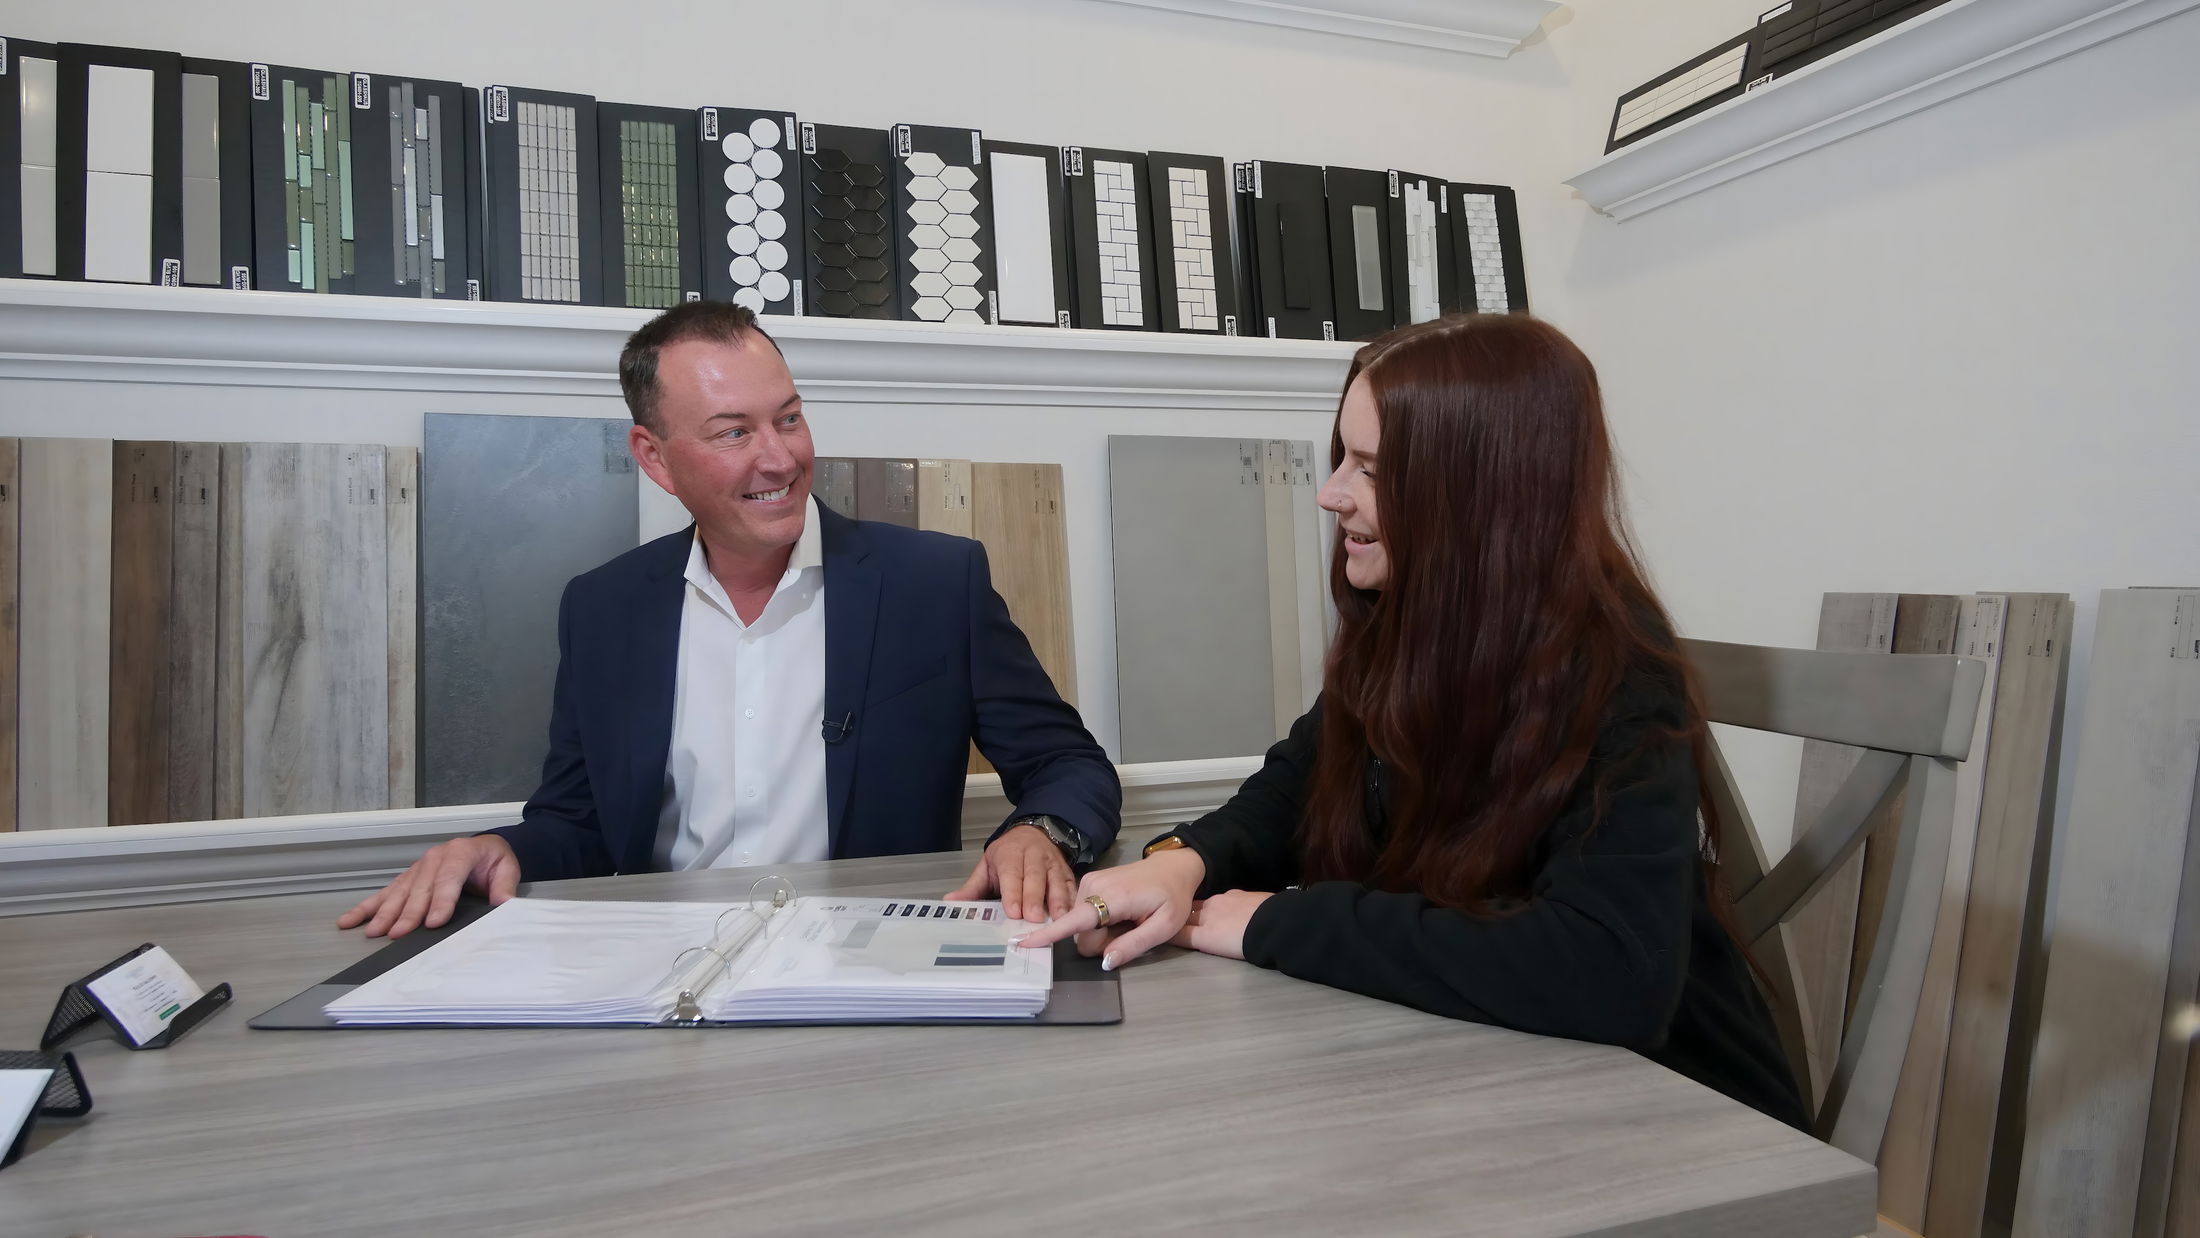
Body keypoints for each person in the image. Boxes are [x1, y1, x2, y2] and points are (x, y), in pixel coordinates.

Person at [1018, 314, 1809, 1129]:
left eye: (1371, 469)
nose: (1330, 494)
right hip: (1501, 1089)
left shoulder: (1621, 680)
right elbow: (1296, 786)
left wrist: (1282, 922)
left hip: (1682, 1112)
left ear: (1482, 492)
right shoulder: (1408, 629)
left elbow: (1606, 973)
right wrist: (1187, 860)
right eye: (1342, 459)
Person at [340, 301, 1120, 939]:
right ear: (654, 457)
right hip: (667, 970)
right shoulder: (603, 608)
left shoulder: (936, 583)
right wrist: (493, 849)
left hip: (871, 958)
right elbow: (579, 825)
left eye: (788, 419)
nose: (778, 459)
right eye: (733, 432)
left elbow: (1072, 768)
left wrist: (1040, 831)